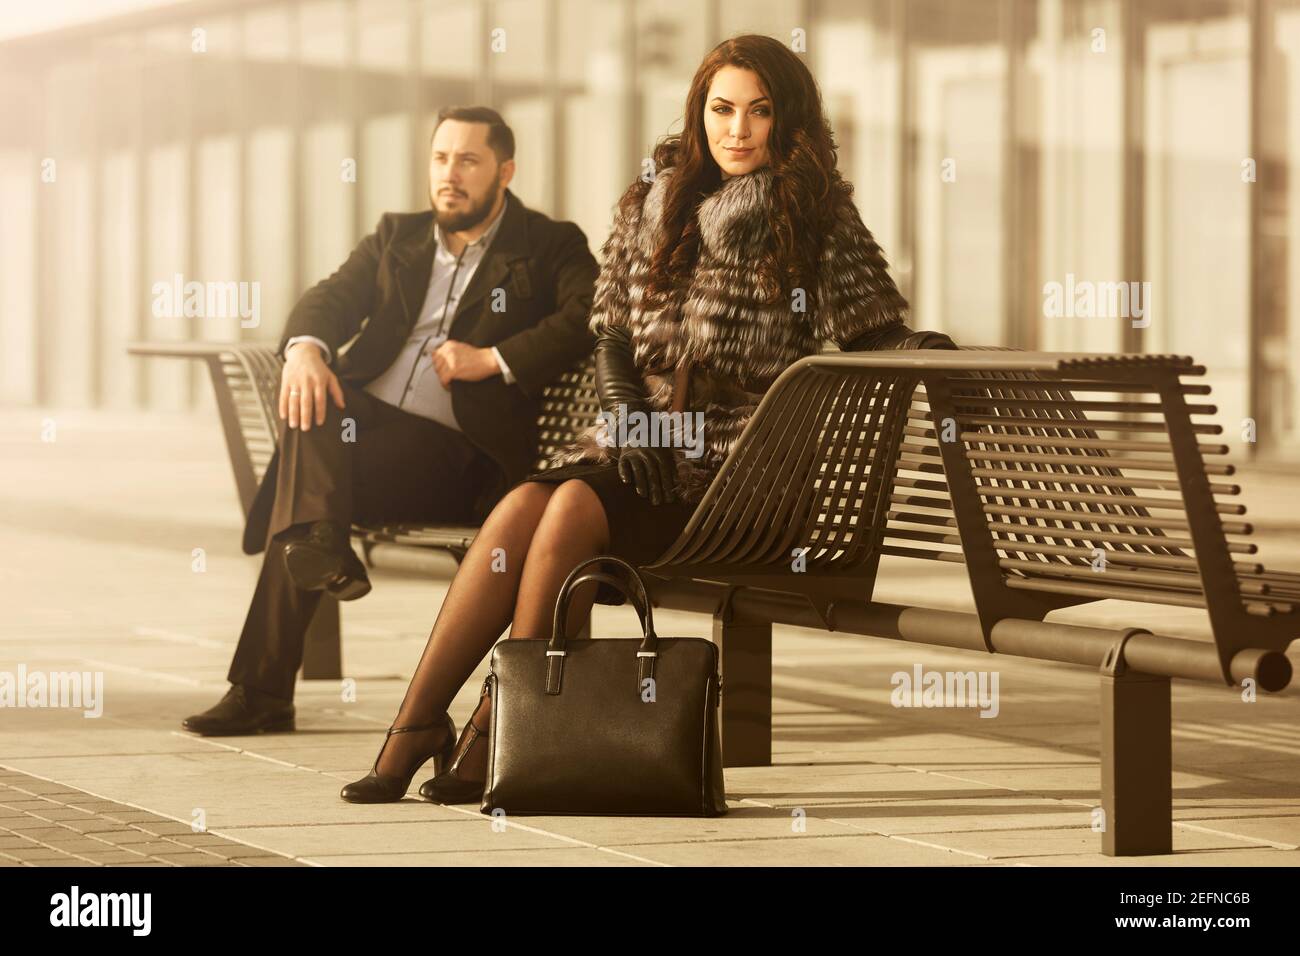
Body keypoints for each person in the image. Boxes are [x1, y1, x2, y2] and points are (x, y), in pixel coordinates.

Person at [339, 34, 951, 804]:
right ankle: (418, 724)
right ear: (699, 112)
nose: (737, 129)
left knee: (565, 504)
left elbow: (871, 331)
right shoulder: (654, 198)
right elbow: (610, 330)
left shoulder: (814, 213)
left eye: (759, 112)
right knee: (525, 503)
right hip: (642, 443)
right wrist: (627, 411)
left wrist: (925, 346)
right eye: (722, 109)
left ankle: (502, 725)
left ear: (786, 119)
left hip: (737, 465)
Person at [182, 106, 599, 736]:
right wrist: (305, 349)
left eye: (468, 160)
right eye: (439, 158)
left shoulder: (547, 244)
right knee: (313, 396)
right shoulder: (396, 236)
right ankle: (322, 540)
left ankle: (264, 687)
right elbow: (329, 297)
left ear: (504, 171)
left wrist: (492, 358)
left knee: (305, 489)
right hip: (368, 439)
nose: (449, 175)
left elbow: (588, 313)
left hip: (458, 454)